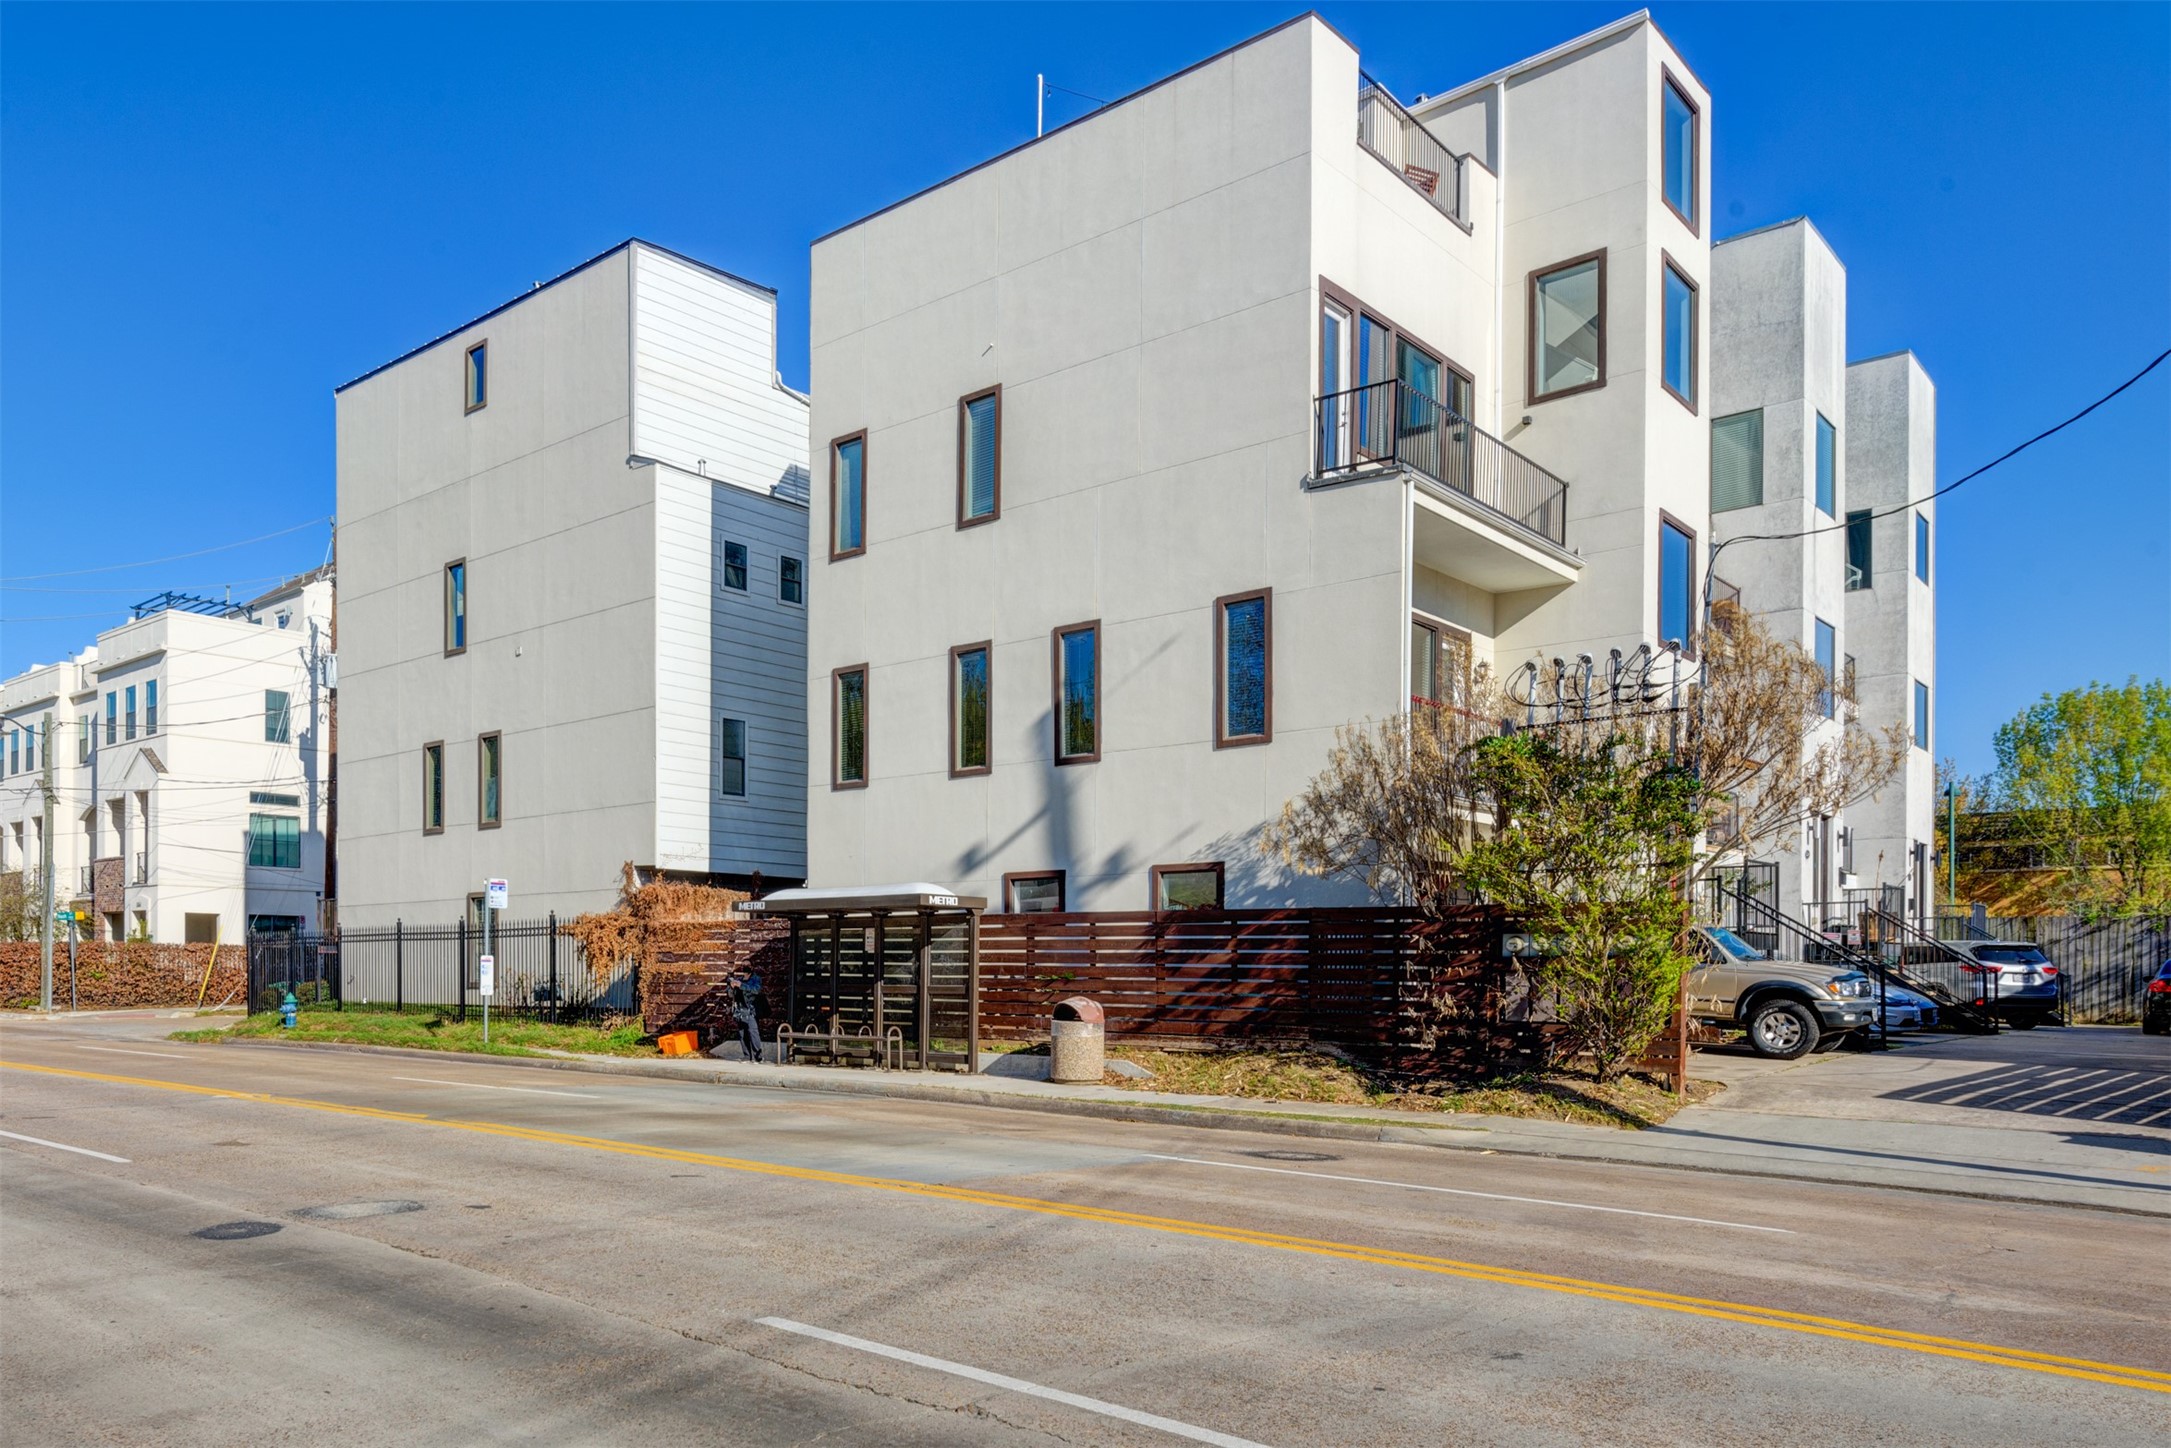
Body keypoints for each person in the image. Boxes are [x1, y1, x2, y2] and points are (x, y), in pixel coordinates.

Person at [733, 970, 764, 1064]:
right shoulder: (739, 979)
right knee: (742, 1033)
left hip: (751, 1009)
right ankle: (747, 1056)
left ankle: (758, 1057)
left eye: (747, 964)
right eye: (743, 965)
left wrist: (741, 985)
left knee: (753, 1032)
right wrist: (731, 987)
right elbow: (731, 994)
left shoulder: (756, 979)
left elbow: (756, 990)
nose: (745, 967)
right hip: (740, 1010)